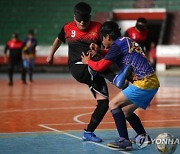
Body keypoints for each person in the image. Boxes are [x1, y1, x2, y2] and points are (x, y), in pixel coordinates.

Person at [81, 21, 160, 150]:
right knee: (126, 111)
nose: (102, 42)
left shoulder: (116, 46)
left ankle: (124, 140)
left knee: (113, 104)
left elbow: (100, 66)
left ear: (107, 37)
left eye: (102, 39)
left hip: (143, 83)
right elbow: (114, 53)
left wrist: (88, 61)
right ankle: (143, 136)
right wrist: (100, 51)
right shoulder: (125, 41)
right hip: (152, 83)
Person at [46, 2, 118, 143]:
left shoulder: (98, 28)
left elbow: (105, 48)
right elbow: (58, 40)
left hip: (94, 66)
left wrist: (97, 48)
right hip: (78, 67)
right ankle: (118, 79)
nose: (82, 25)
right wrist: (51, 55)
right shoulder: (67, 28)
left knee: (104, 103)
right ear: (74, 18)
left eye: (86, 23)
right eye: (79, 23)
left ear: (90, 17)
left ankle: (88, 132)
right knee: (97, 65)